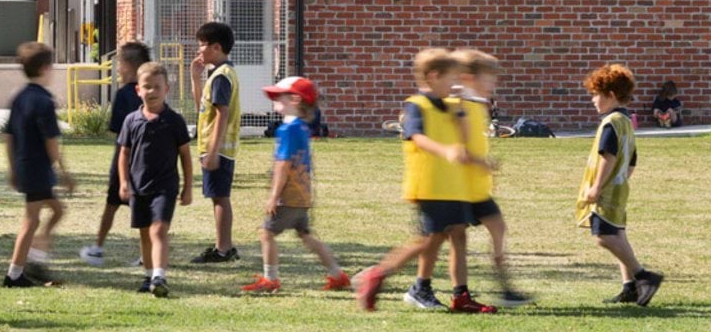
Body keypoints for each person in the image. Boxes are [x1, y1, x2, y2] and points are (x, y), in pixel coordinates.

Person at [354, 48, 489, 312]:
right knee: (429, 240)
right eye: (451, 78)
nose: (455, 84)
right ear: (434, 76)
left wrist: (460, 110)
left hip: (453, 185)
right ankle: (380, 275)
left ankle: (461, 296)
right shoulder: (417, 105)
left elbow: (463, 136)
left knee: (458, 235)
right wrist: (445, 150)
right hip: (430, 184)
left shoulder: (450, 105)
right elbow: (416, 136)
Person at [241, 76, 350, 295]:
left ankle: (270, 279)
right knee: (306, 235)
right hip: (303, 195)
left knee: (266, 233)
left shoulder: (287, 130)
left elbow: (284, 165)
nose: (273, 100)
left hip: (288, 196)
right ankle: (338, 275)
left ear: (294, 99)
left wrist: (273, 196)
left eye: (277, 96)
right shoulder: (301, 128)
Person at [447, 48, 530, 307]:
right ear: (469, 78)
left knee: (498, 228)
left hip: (477, 187)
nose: (493, 84)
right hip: (456, 187)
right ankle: (458, 291)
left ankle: (504, 288)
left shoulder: (480, 107)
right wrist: (483, 162)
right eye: (489, 78)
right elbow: (459, 147)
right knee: (457, 239)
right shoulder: (456, 106)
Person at [577, 62, 662, 307]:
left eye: (596, 94)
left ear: (611, 95)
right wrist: (622, 179)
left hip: (607, 189)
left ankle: (644, 276)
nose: (593, 100)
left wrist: (597, 187)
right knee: (618, 234)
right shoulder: (626, 122)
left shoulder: (610, 123)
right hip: (620, 186)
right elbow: (632, 158)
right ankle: (629, 287)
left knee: (604, 236)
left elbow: (608, 156)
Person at [2, 42, 76, 288]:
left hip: (25, 166)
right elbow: (52, 143)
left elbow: (8, 136)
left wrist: (13, 168)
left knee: (56, 211)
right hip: (38, 169)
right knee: (31, 221)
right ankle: (14, 274)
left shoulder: (19, 98)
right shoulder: (44, 101)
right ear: (45, 68)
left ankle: (35, 259)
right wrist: (65, 173)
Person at [118, 62, 193, 298]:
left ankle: (160, 275)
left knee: (158, 230)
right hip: (139, 187)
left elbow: (185, 156)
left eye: (157, 87)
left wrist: (188, 187)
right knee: (144, 232)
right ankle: (148, 275)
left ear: (166, 89)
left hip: (165, 187)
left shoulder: (174, 121)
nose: (152, 91)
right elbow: (124, 154)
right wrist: (123, 182)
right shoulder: (131, 120)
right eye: (146, 87)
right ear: (138, 90)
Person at [81, 42, 151, 266]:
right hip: (145, 161)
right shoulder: (150, 93)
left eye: (120, 63)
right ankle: (146, 254)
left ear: (129, 66)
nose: (117, 68)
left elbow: (118, 131)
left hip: (123, 160)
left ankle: (98, 248)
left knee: (111, 206)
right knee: (142, 212)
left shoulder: (122, 95)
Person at [190, 21, 241, 264]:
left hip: (218, 148)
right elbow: (202, 106)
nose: (199, 50)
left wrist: (213, 151)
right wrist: (195, 79)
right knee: (217, 196)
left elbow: (222, 114)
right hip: (214, 147)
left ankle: (224, 249)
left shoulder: (222, 77)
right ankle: (223, 245)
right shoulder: (216, 75)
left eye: (202, 46)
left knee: (220, 197)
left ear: (216, 47)